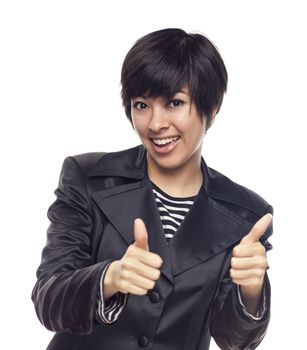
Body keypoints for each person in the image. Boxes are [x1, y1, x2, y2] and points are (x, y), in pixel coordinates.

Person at [31, 28, 273, 350]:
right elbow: (49, 299)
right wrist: (109, 278)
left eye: (174, 102)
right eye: (142, 105)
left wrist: (251, 290)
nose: (156, 123)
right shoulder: (87, 178)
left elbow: (234, 340)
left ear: (211, 108)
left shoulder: (245, 215)